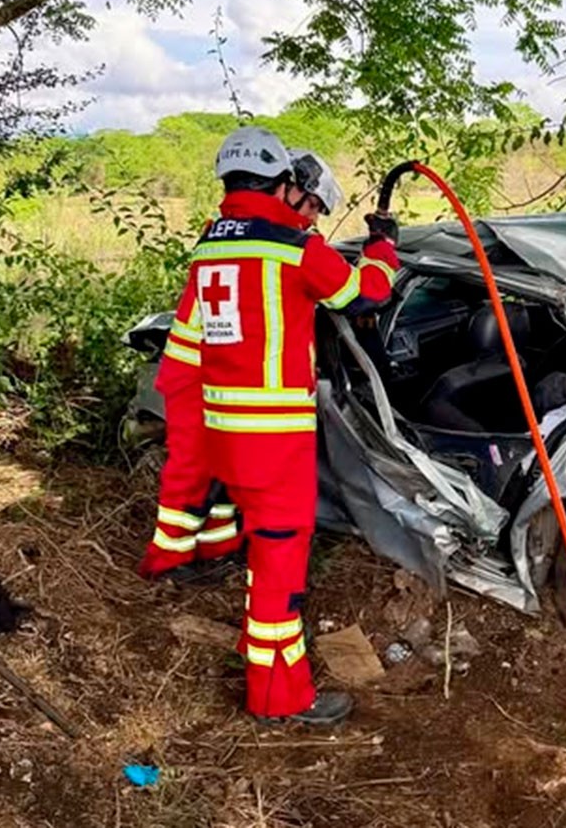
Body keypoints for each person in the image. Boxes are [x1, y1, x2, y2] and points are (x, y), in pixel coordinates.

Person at [154, 125, 399, 725]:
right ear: (284, 187)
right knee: (280, 568)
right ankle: (280, 696)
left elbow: (192, 343)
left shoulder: (211, 243)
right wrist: (384, 248)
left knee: (247, 533)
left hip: (222, 428)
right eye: (303, 196)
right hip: (274, 439)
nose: (310, 212)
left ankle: (218, 577)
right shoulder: (293, 249)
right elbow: (365, 296)